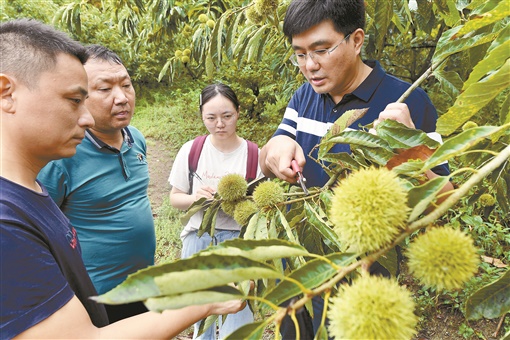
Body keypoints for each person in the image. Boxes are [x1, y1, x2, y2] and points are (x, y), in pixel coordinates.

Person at [0, 19, 244, 339]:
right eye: (76, 100)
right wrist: (203, 301)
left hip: (136, 287)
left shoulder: (28, 189)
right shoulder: (10, 219)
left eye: (126, 85)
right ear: (6, 93)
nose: (85, 117)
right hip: (98, 298)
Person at [258, 0, 454, 338]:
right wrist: (273, 151)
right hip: (298, 269)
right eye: (300, 54)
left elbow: (444, 200)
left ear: (357, 39)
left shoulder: (409, 102)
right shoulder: (303, 97)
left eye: (321, 50)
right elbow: (271, 152)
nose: (310, 65)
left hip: (362, 278)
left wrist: (410, 149)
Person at [37, 44, 154, 323]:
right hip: (97, 295)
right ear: (81, 96)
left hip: (145, 284)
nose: (122, 97)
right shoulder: (64, 156)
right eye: (105, 89)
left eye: (126, 85)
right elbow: (40, 229)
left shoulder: (135, 138)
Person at [168, 83, 261, 339]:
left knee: (239, 316)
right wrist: (195, 199)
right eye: (211, 118)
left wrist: (242, 205)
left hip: (238, 243)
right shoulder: (192, 150)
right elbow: (175, 198)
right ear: (202, 117)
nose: (220, 124)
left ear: (238, 112)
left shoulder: (255, 155)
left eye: (227, 116)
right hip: (199, 238)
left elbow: (263, 208)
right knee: (200, 315)